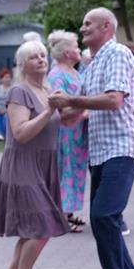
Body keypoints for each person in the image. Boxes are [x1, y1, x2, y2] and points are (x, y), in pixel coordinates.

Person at [49, 8, 134, 269]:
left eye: (88, 24)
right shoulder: (91, 65)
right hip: (101, 152)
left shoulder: (117, 54)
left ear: (107, 27)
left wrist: (71, 101)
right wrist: (53, 110)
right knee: (107, 219)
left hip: (121, 148)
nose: (82, 28)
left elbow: (114, 100)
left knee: (103, 216)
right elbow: (74, 114)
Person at [0, 40, 70, 269]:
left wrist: (78, 105)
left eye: (43, 55)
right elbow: (21, 133)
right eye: (34, 57)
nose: (41, 59)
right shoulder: (19, 92)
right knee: (42, 226)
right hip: (23, 165)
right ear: (22, 64)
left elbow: (60, 120)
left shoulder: (47, 90)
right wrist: (51, 110)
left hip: (45, 164)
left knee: (31, 227)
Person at [46, 30, 89, 230]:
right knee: (65, 172)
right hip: (65, 133)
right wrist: (84, 109)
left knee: (74, 172)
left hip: (77, 132)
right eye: (76, 47)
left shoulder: (74, 72)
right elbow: (59, 109)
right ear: (67, 53)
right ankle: (61, 216)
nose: (79, 49)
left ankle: (68, 212)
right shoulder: (57, 75)